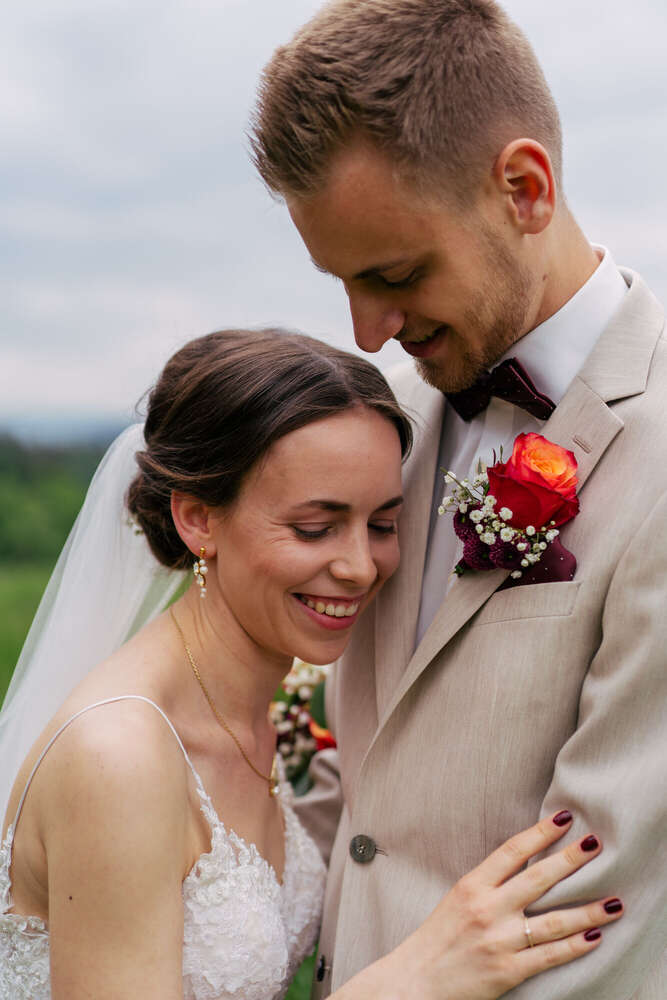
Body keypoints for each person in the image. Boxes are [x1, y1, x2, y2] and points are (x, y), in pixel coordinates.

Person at [0, 328, 623, 999]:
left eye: (382, 525)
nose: (359, 567)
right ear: (198, 519)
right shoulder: (118, 756)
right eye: (314, 528)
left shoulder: (261, 713)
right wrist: (417, 978)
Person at [250, 1, 667, 998]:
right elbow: (338, 772)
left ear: (523, 188)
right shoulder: (380, 420)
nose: (364, 329)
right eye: (342, 281)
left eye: (393, 273)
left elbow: (594, 906)